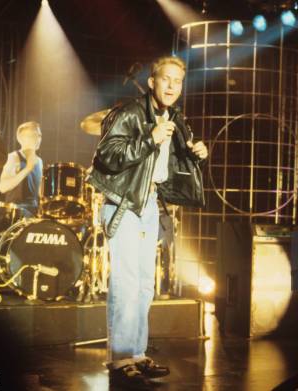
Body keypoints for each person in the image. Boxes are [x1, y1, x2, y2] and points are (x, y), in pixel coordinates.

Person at [87, 55, 208, 387]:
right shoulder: (128, 113)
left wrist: (196, 152)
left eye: (178, 81)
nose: (171, 86)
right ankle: (121, 357)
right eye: (165, 79)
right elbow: (106, 156)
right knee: (125, 281)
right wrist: (149, 138)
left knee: (143, 284)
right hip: (124, 203)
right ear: (152, 82)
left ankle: (137, 354)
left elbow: (168, 165)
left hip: (150, 204)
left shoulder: (176, 118)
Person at [0, 121, 43, 217]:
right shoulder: (13, 157)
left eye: (39, 136)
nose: (38, 139)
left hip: (34, 212)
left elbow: (39, 192)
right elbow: (2, 187)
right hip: (16, 211)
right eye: (34, 135)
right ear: (21, 139)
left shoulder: (39, 161)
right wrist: (27, 169)